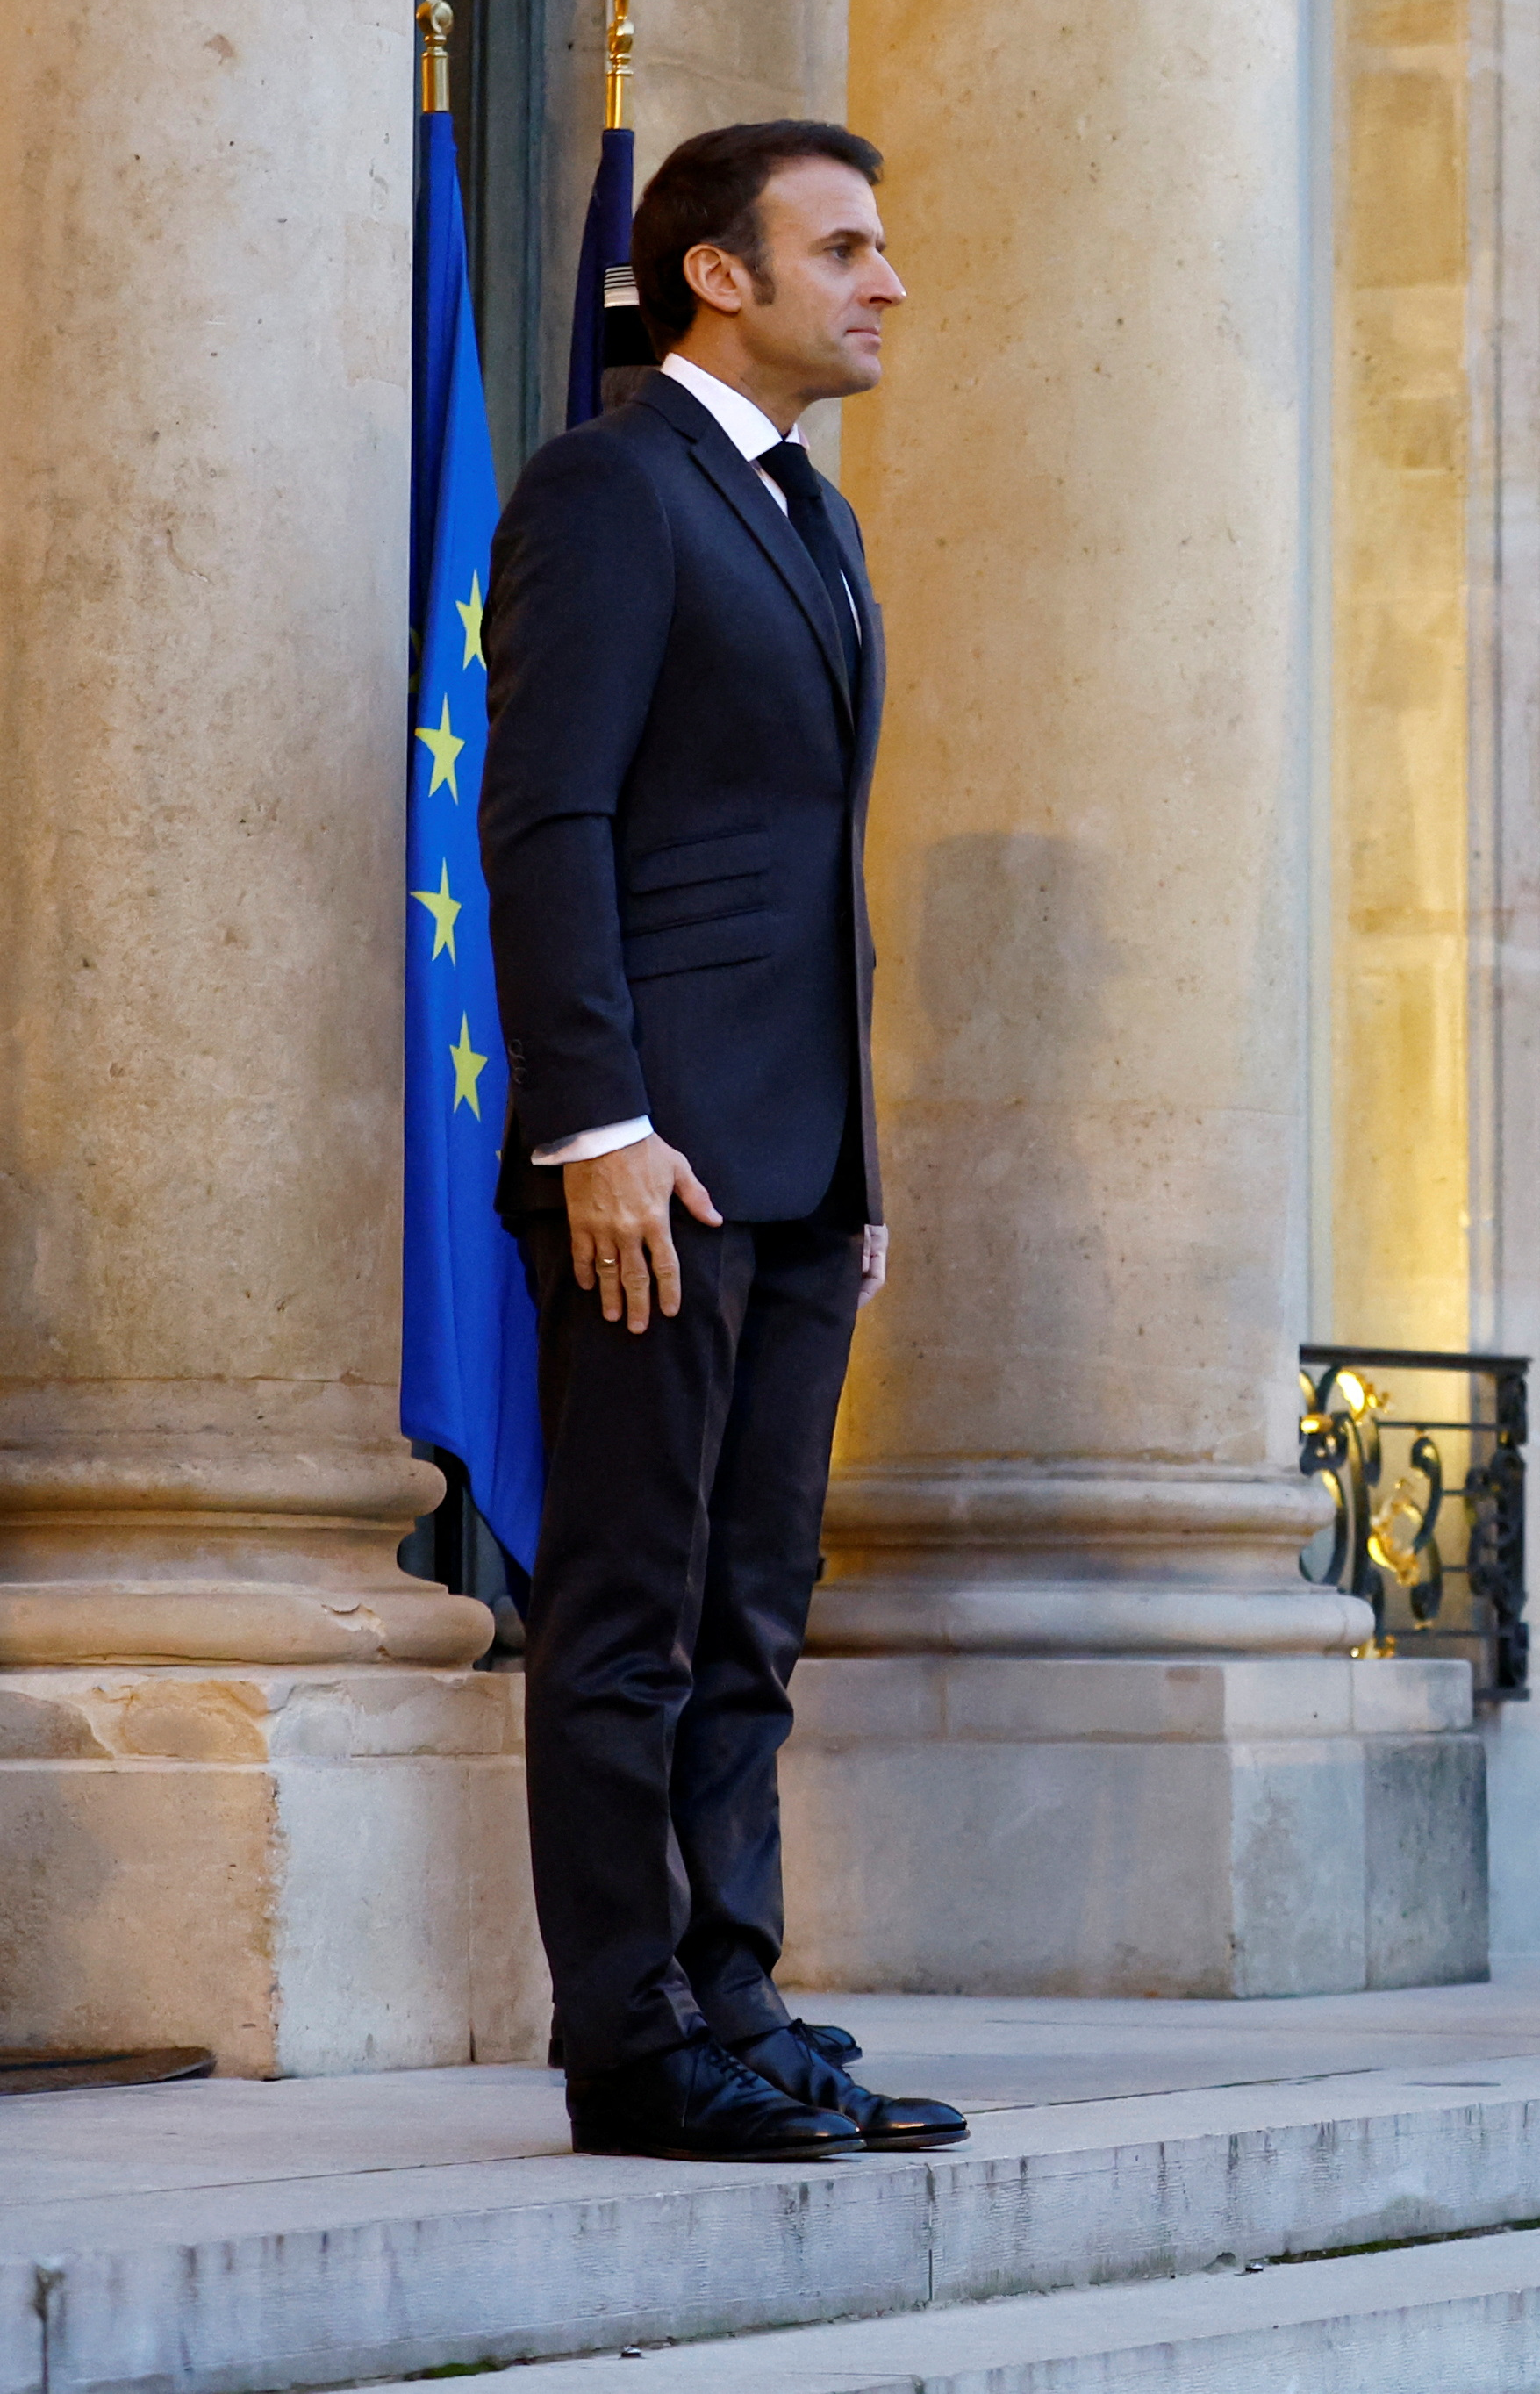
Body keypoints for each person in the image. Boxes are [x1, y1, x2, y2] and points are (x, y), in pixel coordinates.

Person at [481, 119, 963, 2161]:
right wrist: (596, 1119)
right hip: (651, 1160)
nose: (888, 281)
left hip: (787, 1163)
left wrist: (853, 1163)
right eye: (843, 247)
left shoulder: (814, 520)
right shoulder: (611, 489)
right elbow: (550, 818)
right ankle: (625, 2029)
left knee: (753, 1603)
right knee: (630, 1607)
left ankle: (733, 1986)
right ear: (716, 275)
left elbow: (804, 865)